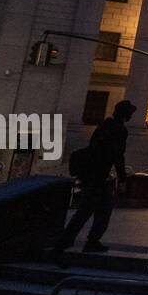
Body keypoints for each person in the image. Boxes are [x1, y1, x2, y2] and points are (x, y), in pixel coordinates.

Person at [54, 100, 136, 263]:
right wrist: (122, 177)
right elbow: (118, 155)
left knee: (88, 211)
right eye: (130, 113)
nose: (132, 116)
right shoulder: (119, 130)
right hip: (98, 177)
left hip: (91, 175)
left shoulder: (103, 126)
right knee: (99, 211)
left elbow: (95, 147)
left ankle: (69, 243)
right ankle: (77, 243)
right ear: (125, 114)